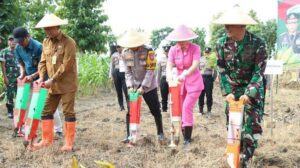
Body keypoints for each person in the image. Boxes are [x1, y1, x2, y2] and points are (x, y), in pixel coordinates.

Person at [214, 5, 267, 167]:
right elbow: (221, 70)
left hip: (252, 90)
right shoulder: (221, 44)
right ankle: (236, 154)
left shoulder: (258, 43)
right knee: (233, 126)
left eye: (230, 24)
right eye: (225, 24)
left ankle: (247, 159)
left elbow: (259, 72)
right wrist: (227, 92)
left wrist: (249, 94)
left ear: (242, 25)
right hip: (233, 91)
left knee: (251, 126)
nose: (226, 27)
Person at [29, 14, 77, 152]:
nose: (48, 31)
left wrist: (52, 79)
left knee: (68, 111)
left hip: (67, 84)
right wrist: (41, 77)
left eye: (50, 28)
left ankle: (68, 143)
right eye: (45, 29)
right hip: (52, 84)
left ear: (57, 27)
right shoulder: (46, 42)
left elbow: (66, 65)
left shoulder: (69, 42)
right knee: (46, 110)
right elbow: (43, 62)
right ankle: (46, 140)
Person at [13, 27, 63, 137]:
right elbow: (21, 63)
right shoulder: (18, 48)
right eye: (18, 42)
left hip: (44, 78)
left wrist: (34, 76)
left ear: (28, 37)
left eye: (22, 41)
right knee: (31, 103)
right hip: (29, 79)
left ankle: (58, 130)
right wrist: (22, 74)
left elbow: (44, 66)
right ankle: (29, 128)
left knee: (48, 104)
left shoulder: (39, 47)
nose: (20, 44)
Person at [118, 29, 165, 145]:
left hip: (149, 86)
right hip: (134, 85)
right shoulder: (125, 53)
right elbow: (128, 72)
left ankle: (160, 133)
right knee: (130, 111)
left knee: (155, 110)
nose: (133, 47)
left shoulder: (148, 51)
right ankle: (130, 136)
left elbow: (150, 71)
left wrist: (143, 87)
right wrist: (129, 87)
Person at [166, 25, 204, 146]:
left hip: (194, 82)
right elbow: (169, 65)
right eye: (178, 41)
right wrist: (169, 77)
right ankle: (182, 136)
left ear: (189, 39)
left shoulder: (195, 48)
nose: (181, 43)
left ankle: (187, 140)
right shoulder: (173, 50)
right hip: (179, 84)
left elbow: (195, 64)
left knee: (186, 108)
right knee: (180, 110)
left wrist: (185, 73)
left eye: (183, 41)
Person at [0, 35, 19, 118]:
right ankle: (10, 111)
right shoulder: (4, 52)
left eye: (14, 40)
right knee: (9, 94)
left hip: (19, 77)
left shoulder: (19, 51)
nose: (12, 42)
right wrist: (5, 77)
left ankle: (18, 111)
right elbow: (3, 66)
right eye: (10, 40)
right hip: (9, 77)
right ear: (8, 42)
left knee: (19, 95)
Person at [198, 47, 217, 117]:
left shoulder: (213, 59)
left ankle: (209, 110)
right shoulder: (201, 59)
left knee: (209, 95)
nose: (207, 54)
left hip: (209, 78)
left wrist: (213, 79)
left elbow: (215, 70)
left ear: (210, 52)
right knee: (201, 94)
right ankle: (200, 110)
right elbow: (197, 69)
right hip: (201, 78)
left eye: (208, 52)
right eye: (206, 52)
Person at [109, 45, 129, 111]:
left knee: (126, 90)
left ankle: (129, 105)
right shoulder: (114, 55)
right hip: (116, 72)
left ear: (122, 47)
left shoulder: (126, 54)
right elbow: (111, 66)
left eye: (119, 47)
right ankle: (121, 106)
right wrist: (111, 75)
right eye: (117, 47)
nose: (118, 48)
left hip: (124, 73)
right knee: (118, 91)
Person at [156, 41, 171, 112]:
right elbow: (158, 72)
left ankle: (174, 110)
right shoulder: (160, 60)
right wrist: (157, 84)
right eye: (166, 51)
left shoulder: (174, 59)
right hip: (163, 79)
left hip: (172, 79)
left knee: (174, 96)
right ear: (164, 51)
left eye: (168, 51)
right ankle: (164, 109)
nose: (167, 53)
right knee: (164, 95)